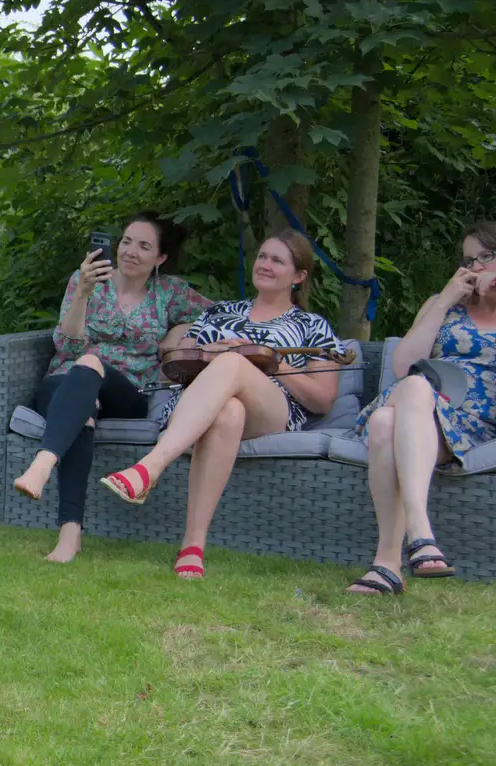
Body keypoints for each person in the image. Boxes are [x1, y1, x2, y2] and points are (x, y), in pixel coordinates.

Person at [98, 230, 344, 578]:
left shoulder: (311, 325)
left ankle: (151, 467)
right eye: (262, 256)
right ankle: (192, 547)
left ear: (299, 276)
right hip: (203, 407)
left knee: (233, 363)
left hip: (271, 411)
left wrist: (265, 359)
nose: (266, 265)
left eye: (278, 260)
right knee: (228, 412)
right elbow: (170, 374)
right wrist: (201, 355)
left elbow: (322, 399)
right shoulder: (220, 313)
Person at [345, 222, 496, 595]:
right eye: (469, 259)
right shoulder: (445, 306)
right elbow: (404, 366)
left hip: (472, 423)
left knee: (387, 423)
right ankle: (420, 533)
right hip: (418, 399)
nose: (477, 266)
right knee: (415, 386)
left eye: (487, 256)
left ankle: (387, 566)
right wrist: (444, 300)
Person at [12, 211, 213, 562]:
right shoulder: (86, 280)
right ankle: (70, 536)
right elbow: (68, 346)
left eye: (144, 246)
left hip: (128, 391)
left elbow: (217, 315)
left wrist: (180, 333)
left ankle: (43, 463)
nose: (131, 251)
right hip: (66, 382)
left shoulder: (168, 292)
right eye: (127, 241)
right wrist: (83, 295)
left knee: (91, 363)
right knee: (83, 405)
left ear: (160, 258)